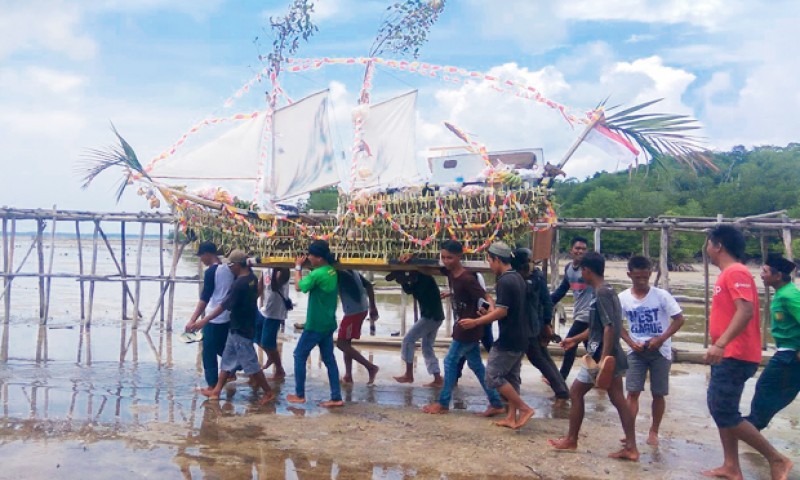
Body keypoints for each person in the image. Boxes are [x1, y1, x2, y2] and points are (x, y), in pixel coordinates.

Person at [701, 226, 793, 480]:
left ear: (718, 245)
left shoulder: (736, 272)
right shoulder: (729, 274)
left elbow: (746, 311)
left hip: (735, 354)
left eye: (708, 243)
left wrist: (721, 344)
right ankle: (731, 465)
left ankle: (777, 459)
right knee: (722, 408)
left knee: (724, 411)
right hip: (728, 354)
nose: (706, 248)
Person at [549, 251, 638, 461]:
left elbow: (609, 328)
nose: (581, 276)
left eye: (582, 272)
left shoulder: (602, 294)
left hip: (601, 354)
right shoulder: (607, 290)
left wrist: (602, 362)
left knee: (576, 392)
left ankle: (572, 439)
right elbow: (598, 327)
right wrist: (574, 339)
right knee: (618, 399)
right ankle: (631, 446)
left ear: (587, 271)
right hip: (607, 352)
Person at [422, 240, 504, 416]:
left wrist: (490, 310)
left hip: (468, 328)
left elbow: (485, 296)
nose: (446, 261)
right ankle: (496, 402)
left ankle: (443, 403)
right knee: (476, 366)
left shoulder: (467, 278)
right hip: (465, 327)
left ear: (460, 256)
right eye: (443, 257)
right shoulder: (452, 274)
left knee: (450, 361)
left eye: (450, 257)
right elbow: (428, 269)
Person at [459, 242, 535, 429]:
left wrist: (476, 322)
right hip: (521, 335)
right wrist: (489, 313)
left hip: (509, 337)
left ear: (497, 260)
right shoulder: (517, 278)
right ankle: (511, 416)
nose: (489, 265)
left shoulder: (505, 281)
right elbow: (505, 309)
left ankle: (524, 409)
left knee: (492, 376)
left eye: (489, 261)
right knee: (511, 377)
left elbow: (502, 312)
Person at [188, 250, 275, 405]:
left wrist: (204, 320)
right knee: (227, 360)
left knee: (251, 363)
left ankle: (268, 392)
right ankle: (216, 391)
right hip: (239, 326)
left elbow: (224, 305)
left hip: (241, 328)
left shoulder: (239, 283)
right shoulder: (252, 278)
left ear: (236, 265)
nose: (229, 268)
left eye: (230, 265)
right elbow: (255, 295)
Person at [618, 256, 685, 446]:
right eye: (637, 277)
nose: (641, 281)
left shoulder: (661, 296)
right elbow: (617, 324)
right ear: (630, 275)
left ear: (650, 274)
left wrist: (661, 338)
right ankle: (629, 431)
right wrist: (630, 342)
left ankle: (654, 431)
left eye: (645, 278)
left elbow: (679, 319)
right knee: (632, 392)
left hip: (660, 351)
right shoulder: (623, 298)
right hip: (636, 350)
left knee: (658, 393)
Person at [745, 254, 800, 433]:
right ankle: (756, 422)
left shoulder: (788, 295)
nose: (761, 274)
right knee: (784, 389)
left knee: (766, 385)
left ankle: (754, 424)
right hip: (787, 352)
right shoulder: (783, 293)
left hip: (789, 353)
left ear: (778, 276)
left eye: (765, 271)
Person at [287, 240, 344, 408]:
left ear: (319, 258)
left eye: (311, 255)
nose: (309, 258)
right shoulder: (332, 271)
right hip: (328, 322)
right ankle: (336, 397)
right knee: (329, 360)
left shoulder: (318, 274)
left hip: (315, 324)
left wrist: (297, 267)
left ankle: (299, 394)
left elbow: (298, 287)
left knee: (299, 355)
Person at [511, 248, 569, 403]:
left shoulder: (534, 277)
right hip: (530, 324)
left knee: (538, 358)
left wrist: (546, 323)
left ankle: (561, 391)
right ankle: (562, 390)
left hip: (532, 325)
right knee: (543, 357)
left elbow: (546, 301)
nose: (532, 264)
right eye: (529, 261)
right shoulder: (521, 276)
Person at [390, 254, 446, 387]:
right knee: (427, 347)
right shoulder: (417, 280)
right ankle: (437, 377)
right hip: (435, 316)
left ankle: (409, 374)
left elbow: (416, 290)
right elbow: (410, 291)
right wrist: (403, 282)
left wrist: (405, 278)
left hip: (431, 316)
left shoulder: (424, 277)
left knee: (408, 340)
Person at [185, 241, 235, 389]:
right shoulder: (230, 269)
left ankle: (212, 384)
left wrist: (193, 319)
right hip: (228, 316)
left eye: (201, 256)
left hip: (215, 317)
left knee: (208, 352)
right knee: (223, 347)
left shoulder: (211, 272)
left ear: (207, 254)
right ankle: (232, 370)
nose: (201, 260)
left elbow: (205, 298)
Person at [552, 236, 593, 380]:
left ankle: (561, 378)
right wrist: (546, 304)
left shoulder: (589, 268)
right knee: (593, 349)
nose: (580, 251)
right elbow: (562, 290)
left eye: (583, 249)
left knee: (570, 342)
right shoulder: (569, 268)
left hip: (589, 313)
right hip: (579, 312)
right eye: (577, 248)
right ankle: (603, 376)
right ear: (571, 250)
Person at [336, 269, 380, 385]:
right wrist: (372, 306)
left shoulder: (340, 273)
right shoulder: (351, 270)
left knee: (341, 343)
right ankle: (348, 375)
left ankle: (370, 367)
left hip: (353, 312)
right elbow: (369, 285)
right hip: (360, 309)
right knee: (346, 343)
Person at [256, 267, 290, 380]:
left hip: (276, 312)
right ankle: (271, 356)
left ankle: (279, 369)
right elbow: (260, 285)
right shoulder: (265, 268)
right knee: (256, 337)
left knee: (267, 343)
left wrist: (275, 268)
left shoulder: (283, 269)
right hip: (264, 309)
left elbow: (275, 286)